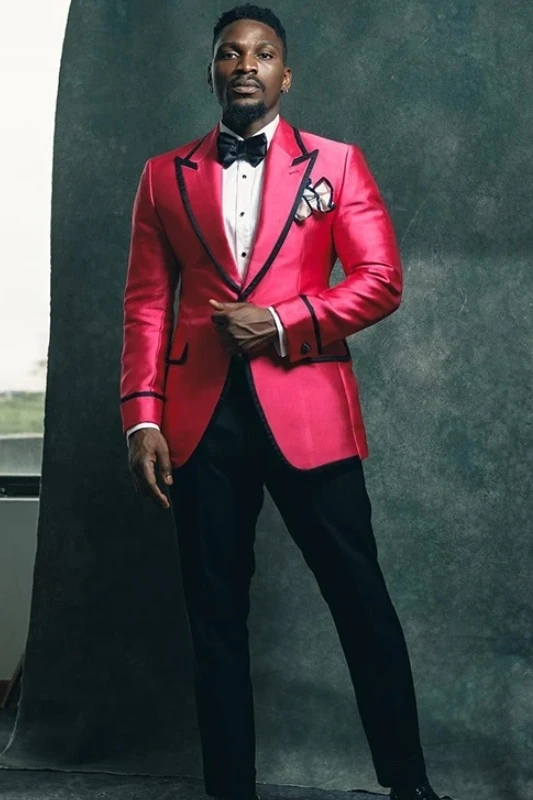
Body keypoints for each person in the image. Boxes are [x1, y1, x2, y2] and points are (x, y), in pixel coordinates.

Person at [120, 5, 442, 800]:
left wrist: (281, 321)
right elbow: (146, 304)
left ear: (284, 76)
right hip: (199, 423)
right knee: (214, 619)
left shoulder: (337, 162)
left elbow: (380, 280)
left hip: (310, 415)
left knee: (361, 604)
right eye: (230, 53)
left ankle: (410, 787)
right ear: (210, 71)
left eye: (262, 54)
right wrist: (142, 415)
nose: (245, 65)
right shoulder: (163, 175)